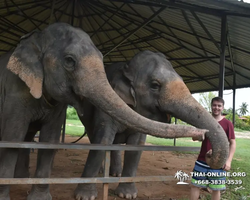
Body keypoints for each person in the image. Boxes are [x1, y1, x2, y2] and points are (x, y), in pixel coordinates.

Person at [190, 97, 236, 200]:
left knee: (216, 188)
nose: (216, 108)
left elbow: (232, 143)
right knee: (195, 185)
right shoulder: (204, 121)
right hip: (202, 160)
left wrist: (228, 161)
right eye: (214, 105)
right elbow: (194, 138)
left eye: (219, 106)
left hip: (219, 163)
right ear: (211, 106)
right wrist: (198, 135)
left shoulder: (228, 124)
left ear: (223, 108)